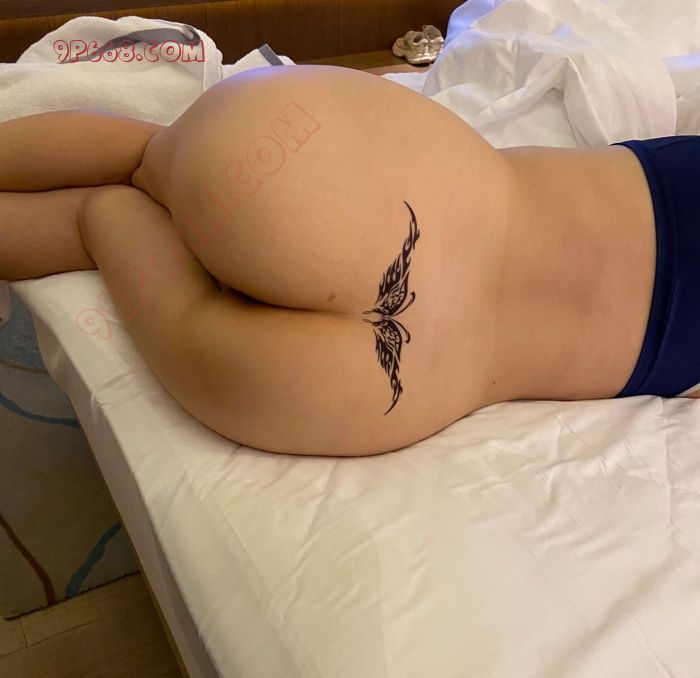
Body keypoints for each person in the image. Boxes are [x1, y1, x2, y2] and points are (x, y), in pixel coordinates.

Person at [0, 63, 693, 456]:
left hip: (378, 192)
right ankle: (106, 220)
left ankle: (141, 187)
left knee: (140, 160)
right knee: (99, 220)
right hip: (395, 383)